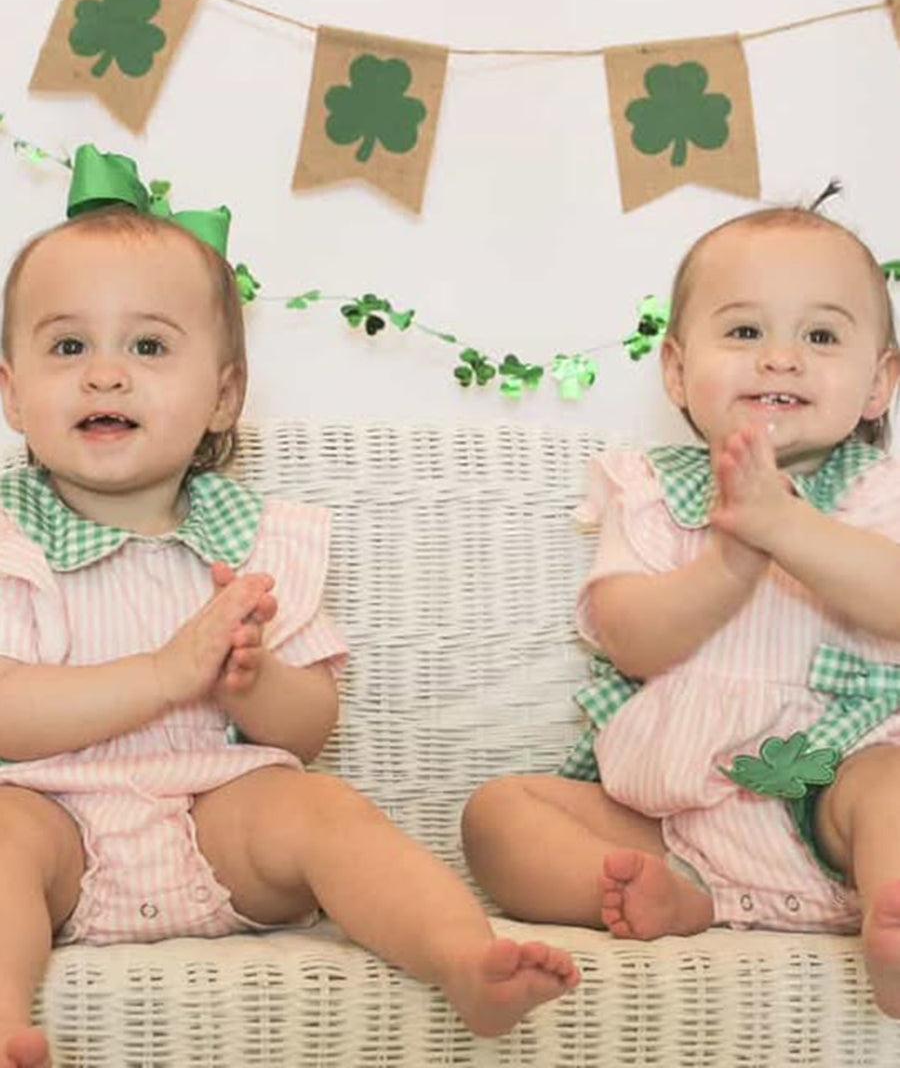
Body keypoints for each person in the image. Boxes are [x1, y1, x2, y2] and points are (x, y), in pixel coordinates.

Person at [0, 163, 579, 1068]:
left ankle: (463, 958)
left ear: (224, 397)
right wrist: (160, 674)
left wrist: (252, 677)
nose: (106, 374)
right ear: (11, 391)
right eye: (68, 348)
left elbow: (309, 728)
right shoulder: (8, 539)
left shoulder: (262, 542)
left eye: (149, 349)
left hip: (220, 820)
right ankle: (4, 1023)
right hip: (51, 827)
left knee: (320, 807)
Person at [462, 205, 900, 1018]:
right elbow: (631, 639)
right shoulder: (652, 491)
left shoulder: (882, 493)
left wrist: (786, 526)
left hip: (833, 791)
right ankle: (683, 898)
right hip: (669, 814)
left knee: (896, 790)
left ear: (879, 383)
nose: (781, 357)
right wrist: (732, 561)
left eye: (821, 337)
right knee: (499, 817)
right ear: (675, 370)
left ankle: (893, 915)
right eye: (743, 333)